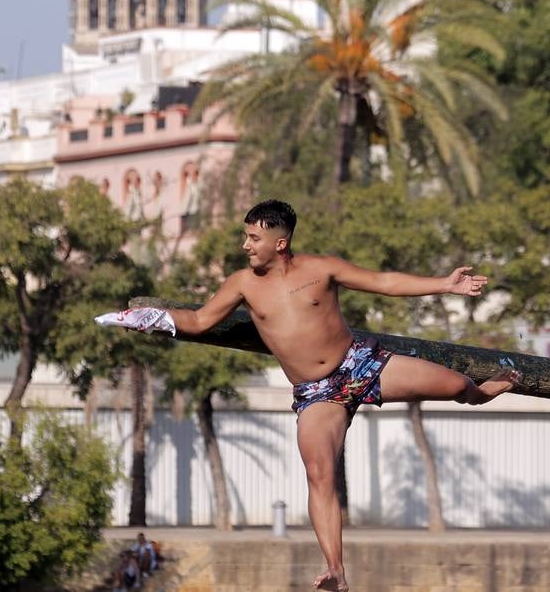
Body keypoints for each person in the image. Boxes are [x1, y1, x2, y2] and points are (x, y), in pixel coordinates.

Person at [110, 199, 522, 592]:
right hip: (318, 394)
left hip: (360, 364)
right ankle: (336, 569)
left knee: (457, 386)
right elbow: (200, 320)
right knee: (319, 473)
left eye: (253, 238)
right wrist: (154, 317)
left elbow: (383, 282)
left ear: (280, 243)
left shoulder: (321, 269)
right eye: (246, 236)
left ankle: (480, 395)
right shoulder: (242, 284)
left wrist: (444, 285)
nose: (245, 245)